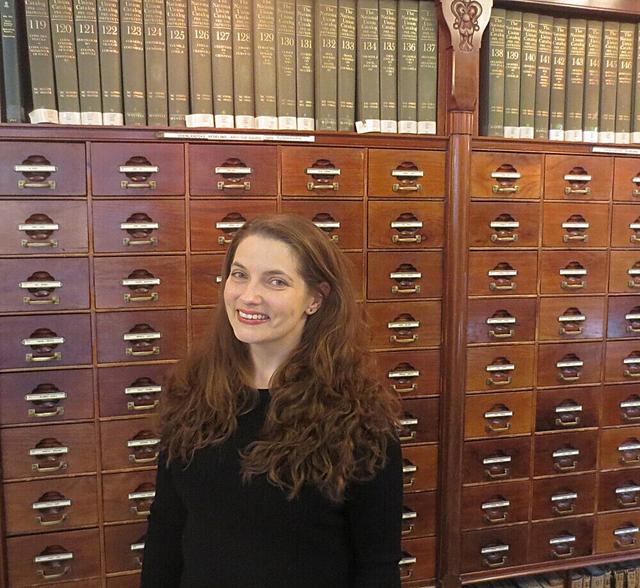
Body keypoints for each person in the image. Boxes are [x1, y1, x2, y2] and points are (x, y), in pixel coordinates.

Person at [141, 213, 403, 588]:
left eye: (276, 281)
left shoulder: (360, 417)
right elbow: (167, 525)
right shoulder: (193, 392)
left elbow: (377, 563)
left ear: (315, 298)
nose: (249, 296)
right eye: (239, 274)